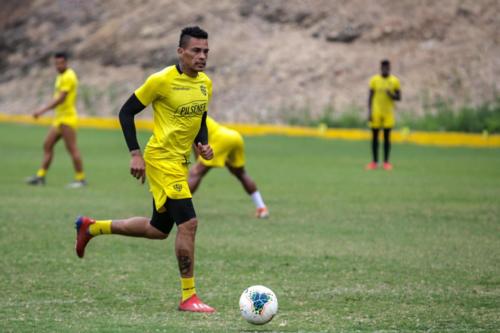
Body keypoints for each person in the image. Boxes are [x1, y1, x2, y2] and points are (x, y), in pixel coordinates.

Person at [74, 27, 215, 313]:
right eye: (196, 51)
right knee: (188, 224)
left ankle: (92, 226)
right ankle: (189, 296)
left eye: (206, 51)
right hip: (162, 160)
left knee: (157, 230)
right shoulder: (161, 80)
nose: (202, 56)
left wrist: (203, 144)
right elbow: (126, 112)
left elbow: (200, 117)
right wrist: (135, 153)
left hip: (179, 161)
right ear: (181, 51)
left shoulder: (205, 84)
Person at [188, 116, 269, 218]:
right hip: (235, 137)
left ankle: (177, 208)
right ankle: (262, 208)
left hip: (221, 140)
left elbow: (196, 143)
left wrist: (198, 165)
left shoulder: (187, 117)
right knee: (241, 174)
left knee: (195, 173)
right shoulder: (199, 111)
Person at [26, 52, 86, 187]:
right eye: (56, 63)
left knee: (72, 148)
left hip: (67, 118)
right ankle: (40, 176)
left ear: (66, 62)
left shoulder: (69, 76)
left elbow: (61, 99)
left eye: (60, 63)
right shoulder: (61, 76)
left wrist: (42, 111)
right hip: (59, 118)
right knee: (47, 145)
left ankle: (80, 179)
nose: (58, 66)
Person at [366, 59, 401, 170]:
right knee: (375, 137)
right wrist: (369, 112)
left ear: (389, 68)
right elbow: (370, 97)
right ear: (380, 68)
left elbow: (399, 97)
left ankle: (386, 162)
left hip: (388, 113)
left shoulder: (394, 81)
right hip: (376, 112)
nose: (385, 69)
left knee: (387, 138)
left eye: (387, 67)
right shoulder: (374, 80)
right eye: (383, 67)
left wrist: (391, 95)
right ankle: (374, 162)